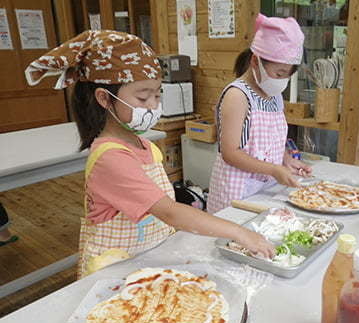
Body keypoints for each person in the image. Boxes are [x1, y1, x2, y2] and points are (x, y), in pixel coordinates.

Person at [25, 30, 274, 277]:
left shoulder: (143, 144)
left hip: (146, 258)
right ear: (104, 98)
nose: (154, 106)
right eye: (143, 97)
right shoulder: (109, 158)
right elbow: (169, 212)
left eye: (157, 95)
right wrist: (240, 232)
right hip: (113, 269)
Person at [207, 14, 312, 213]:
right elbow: (230, 153)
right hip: (236, 193)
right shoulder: (237, 96)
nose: (282, 81)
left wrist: (286, 160)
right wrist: (274, 169)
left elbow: (270, 142)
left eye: (287, 75)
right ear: (255, 61)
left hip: (265, 189)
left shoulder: (274, 95)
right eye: (279, 74)